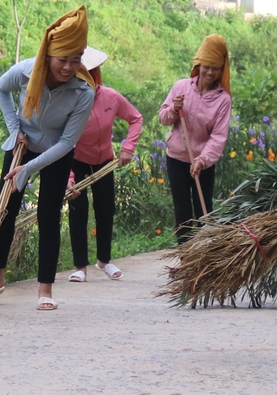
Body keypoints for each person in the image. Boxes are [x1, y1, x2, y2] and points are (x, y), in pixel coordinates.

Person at [0, 8, 97, 311]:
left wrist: (31, 167)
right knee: (4, 211)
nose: (68, 67)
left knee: (48, 216)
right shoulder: (26, 71)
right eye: (62, 59)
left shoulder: (83, 91)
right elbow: (1, 88)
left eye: (76, 59)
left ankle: (45, 288)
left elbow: (67, 142)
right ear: (48, 55)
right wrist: (15, 130)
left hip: (55, 152)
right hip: (21, 145)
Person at [66, 47, 142, 282]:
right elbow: (60, 142)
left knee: (106, 209)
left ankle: (104, 261)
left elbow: (135, 119)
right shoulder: (68, 101)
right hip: (76, 162)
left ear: (97, 74)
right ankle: (80, 266)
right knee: (78, 211)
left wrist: (127, 148)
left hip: (104, 162)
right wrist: (67, 176)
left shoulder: (111, 97)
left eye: (91, 73)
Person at [157, 35, 232, 241]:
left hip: (203, 164)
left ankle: (203, 258)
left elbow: (218, 137)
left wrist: (202, 160)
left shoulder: (223, 100)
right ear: (198, 64)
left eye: (215, 68)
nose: (209, 72)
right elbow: (163, 118)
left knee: (203, 213)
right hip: (177, 159)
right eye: (206, 66)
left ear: (221, 70)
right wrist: (174, 108)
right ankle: (185, 261)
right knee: (182, 214)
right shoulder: (181, 87)